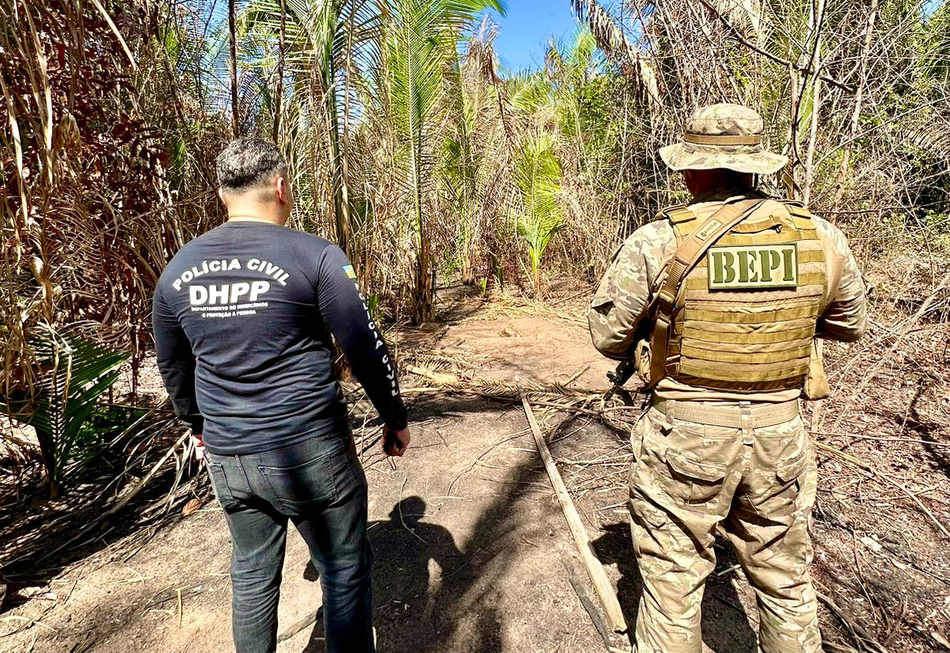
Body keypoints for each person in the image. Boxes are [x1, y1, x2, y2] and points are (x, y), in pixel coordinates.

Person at [588, 104, 867, 653]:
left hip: (685, 437)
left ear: (691, 170)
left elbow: (607, 336)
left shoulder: (658, 241)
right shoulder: (820, 238)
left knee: (673, 588)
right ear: (757, 167)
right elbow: (849, 322)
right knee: (785, 583)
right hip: (780, 437)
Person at [152, 138, 411, 653]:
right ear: (281, 186)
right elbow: (363, 346)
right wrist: (394, 415)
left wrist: (198, 427)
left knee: (251, 576)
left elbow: (173, 365)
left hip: (229, 455)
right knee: (342, 570)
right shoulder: (315, 256)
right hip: (310, 450)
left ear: (223, 194)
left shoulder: (179, 269)